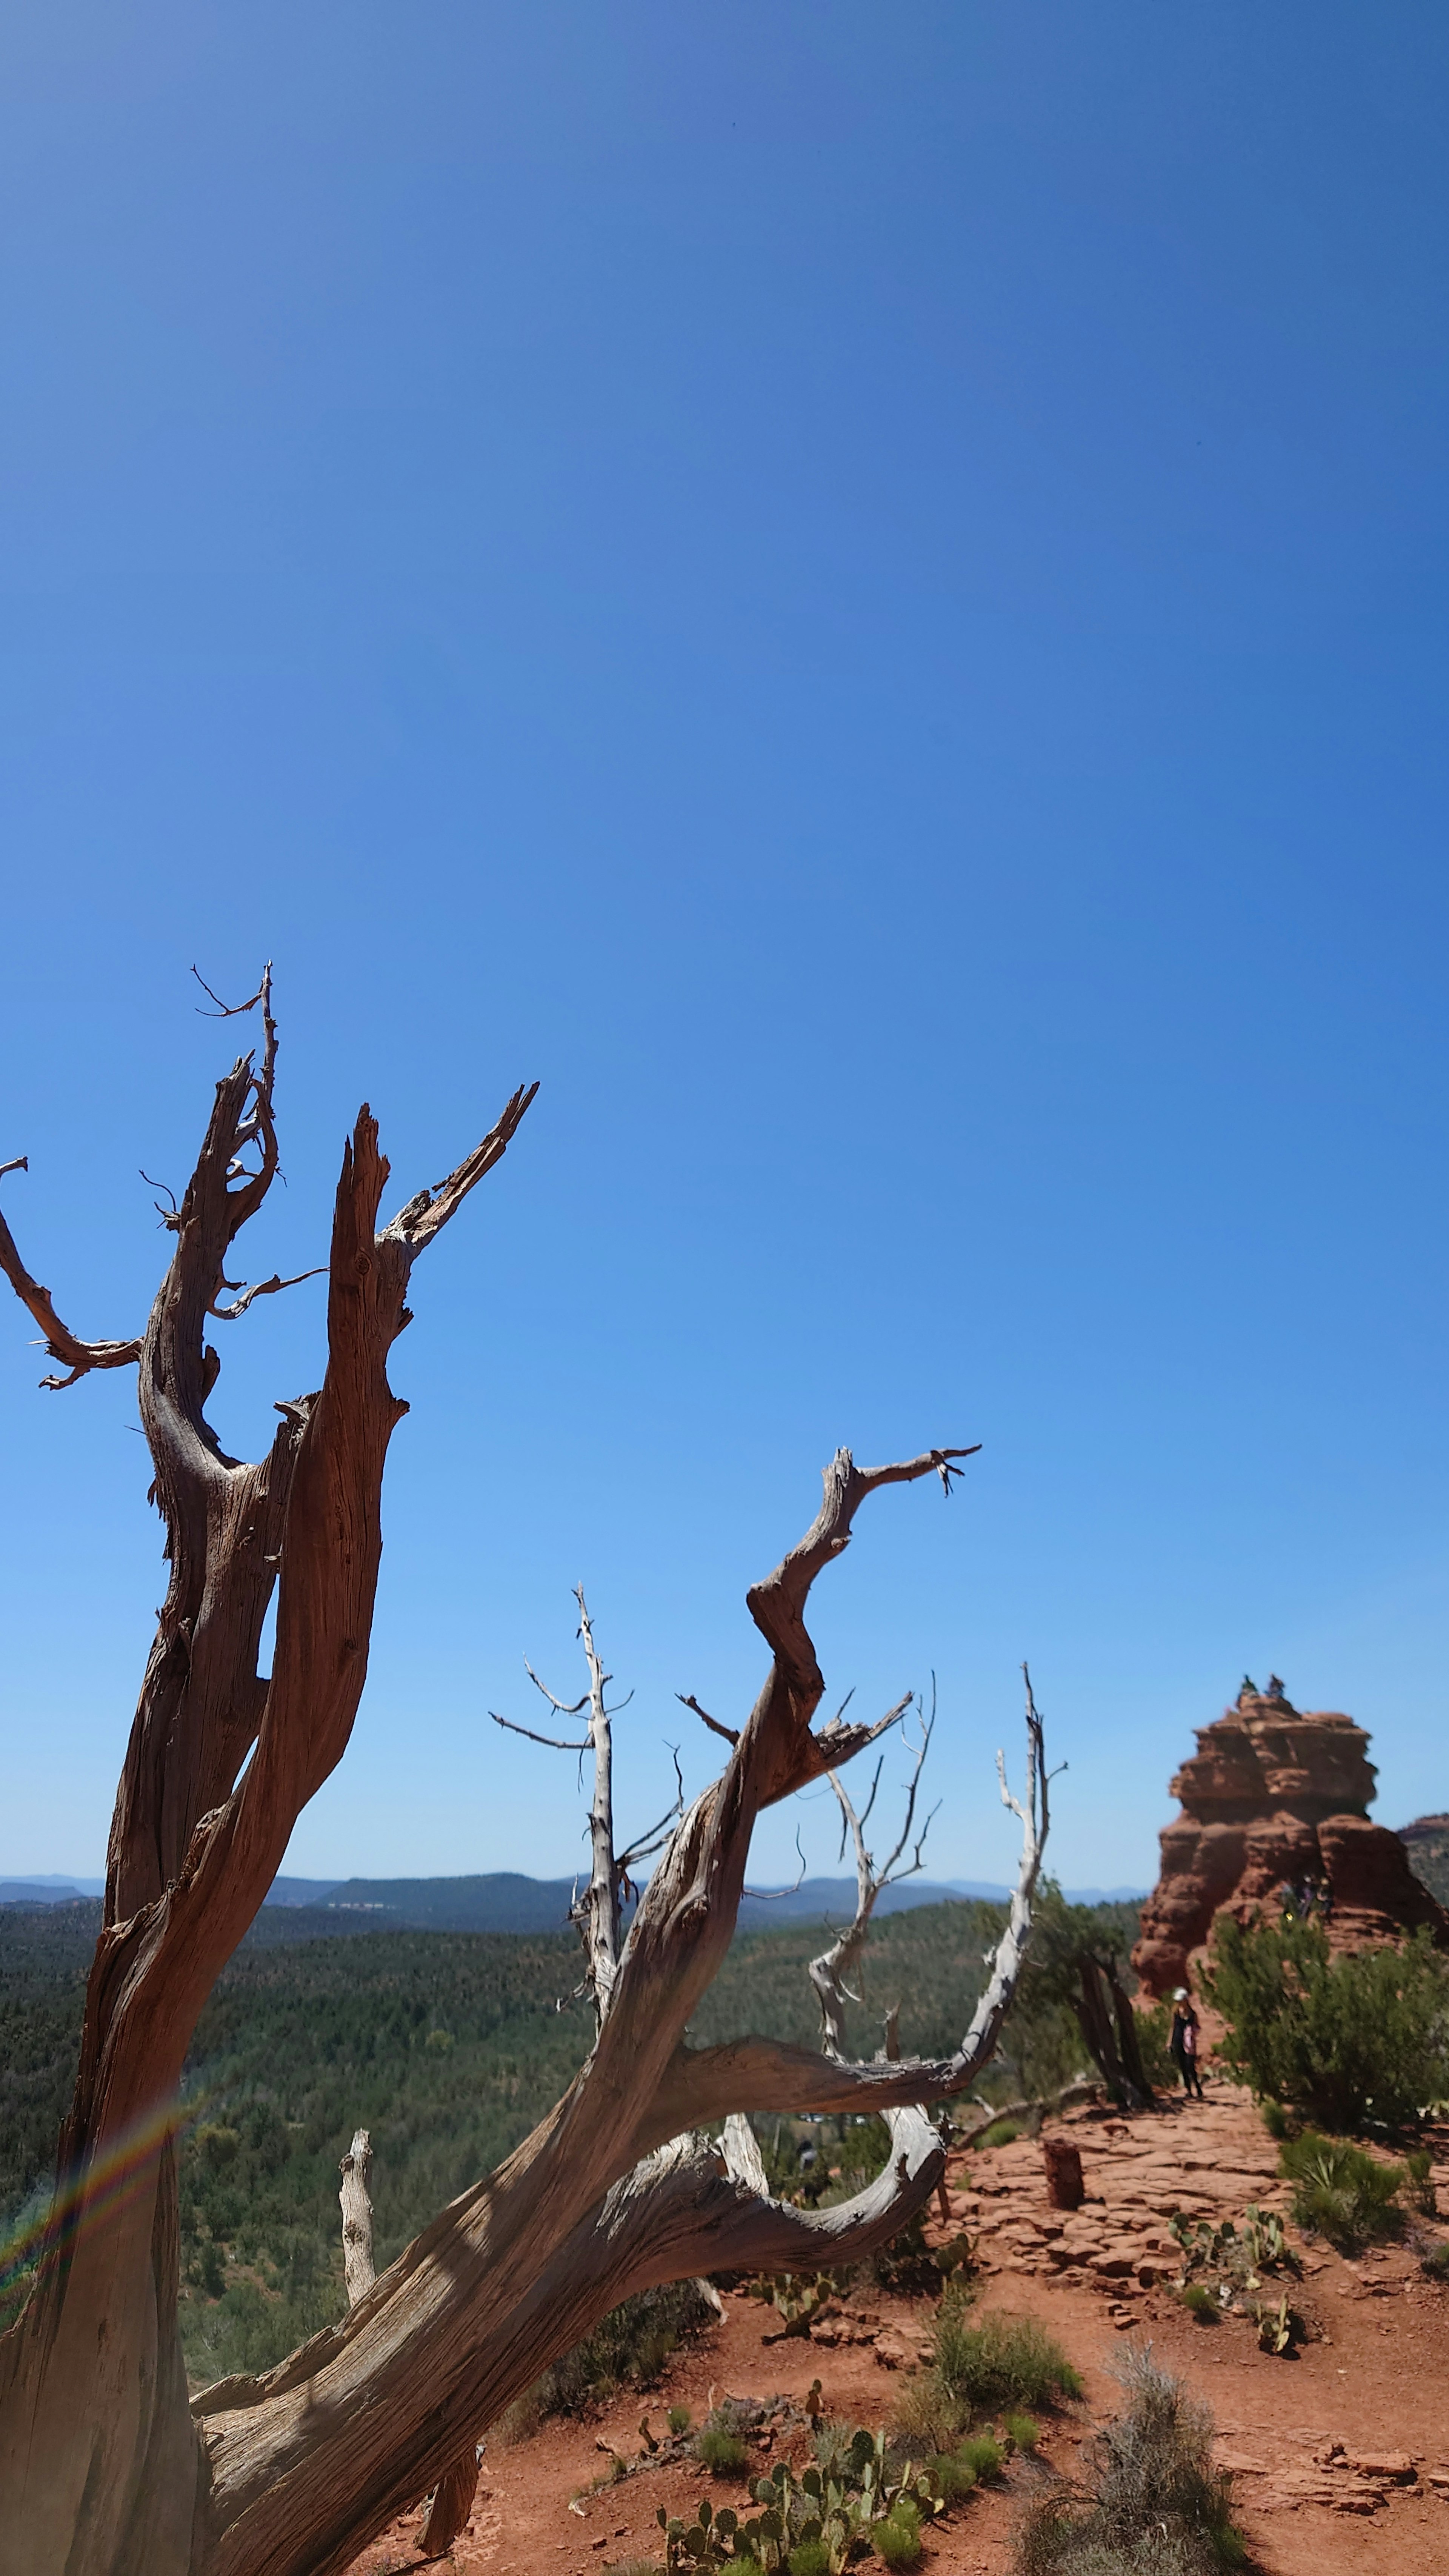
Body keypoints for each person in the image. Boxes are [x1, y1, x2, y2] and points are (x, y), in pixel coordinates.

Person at [1169, 1988, 1206, 2099]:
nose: (1179, 2002)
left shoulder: (1193, 2014)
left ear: (1186, 2000)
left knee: (1190, 2066)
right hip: (1178, 2040)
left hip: (1189, 2044)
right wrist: (1169, 2042)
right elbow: (1172, 2027)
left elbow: (1198, 2027)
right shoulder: (1176, 2013)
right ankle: (1189, 2090)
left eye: (1181, 2000)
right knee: (1183, 2066)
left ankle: (1198, 2088)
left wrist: (1192, 2035)